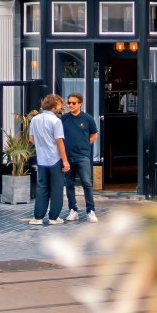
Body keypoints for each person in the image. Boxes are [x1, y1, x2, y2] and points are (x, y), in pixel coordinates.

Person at [28, 94, 71, 226]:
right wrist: (65, 161)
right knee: (56, 189)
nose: (61, 107)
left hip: (41, 159)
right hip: (55, 158)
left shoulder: (35, 119)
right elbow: (59, 142)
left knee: (42, 187)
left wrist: (42, 145)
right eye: (59, 105)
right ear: (54, 106)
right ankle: (53, 217)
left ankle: (38, 217)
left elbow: (31, 139)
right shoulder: (56, 121)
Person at [60, 93, 100, 223]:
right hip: (67, 157)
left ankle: (90, 211)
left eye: (73, 103)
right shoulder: (63, 119)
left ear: (80, 104)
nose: (70, 105)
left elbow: (94, 135)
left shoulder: (88, 119)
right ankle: (73, 210)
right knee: (69, 184)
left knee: (87, 183)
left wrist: (84, 144)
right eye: (69, 103)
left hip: (83, 156)